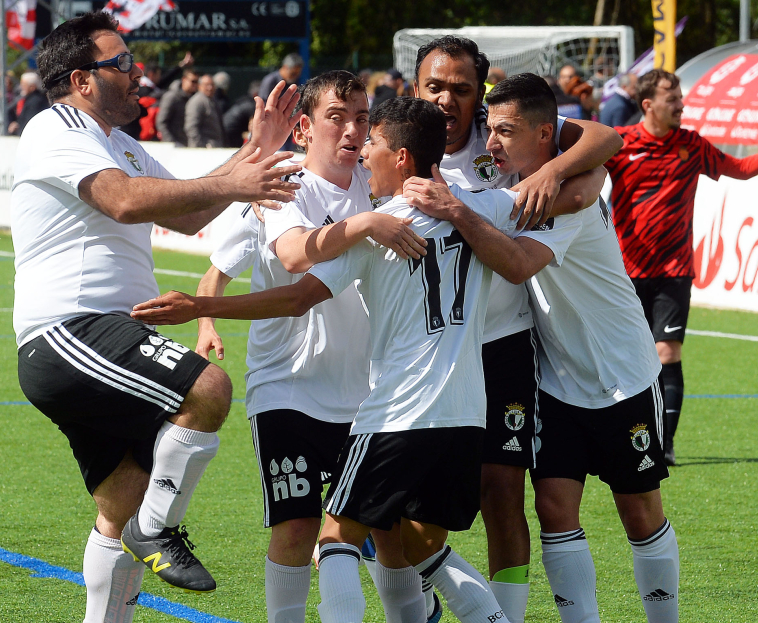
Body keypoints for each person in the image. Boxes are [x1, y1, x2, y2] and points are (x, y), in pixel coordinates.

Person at [132, 96, 535, 623]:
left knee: (338, 538)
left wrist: (202, 307)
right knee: (422, 548)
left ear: (402, 158)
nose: (365, 149)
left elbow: (298, 296)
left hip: (396, 412)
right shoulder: (483, 208)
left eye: (375, 141)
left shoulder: (384, 229)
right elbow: (564, 192)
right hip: (464, 418)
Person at [9, 11, 302, 623]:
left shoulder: (118, 143)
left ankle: (115, 589)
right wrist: (244, 177)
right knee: (209, 387)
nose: (136, 70)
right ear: (81, 80)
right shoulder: (55, 126)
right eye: (120, 62)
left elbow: (191, 211)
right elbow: (123, 201)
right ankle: (157, 532)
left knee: (119, 502)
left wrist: (255, 153)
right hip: (71, 330)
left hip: (97, 335)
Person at [404, 73, 676, 623]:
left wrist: (456, 211)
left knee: (639, 510)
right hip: (554, 377)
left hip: (621, 369)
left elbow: (518, 262)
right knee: (553, 508)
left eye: (506, 131)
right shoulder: (556, 178)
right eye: (491, 128)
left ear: (546, 134)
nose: (493, 143)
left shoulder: (570, 193)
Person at [183, 71, 429, 623]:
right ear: (303, 128)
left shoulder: (379, 184)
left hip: (369, 394)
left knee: (389, 533)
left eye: (362, 119)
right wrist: (205, 320)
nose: (351, 131)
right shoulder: (280, 184)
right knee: (296, 527)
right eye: (336, 117)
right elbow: (292, 257)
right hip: (286, 387)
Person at [608, 68, 758, 465]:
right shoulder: (619, 145)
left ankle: (664, 444)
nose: (681, 105)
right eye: (672, 99)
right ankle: (626, 438)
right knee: (626, 359)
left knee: (667, 353)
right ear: (648, 105)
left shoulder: (691, 145)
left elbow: (740, 170)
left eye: (679, 97)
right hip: (625, 271)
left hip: (674, 270)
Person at [155, 67, 199, 146]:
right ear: (184, 79)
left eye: (197, 82)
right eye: (193, 81)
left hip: (189, 144)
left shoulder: (195, 98)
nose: (195, 85)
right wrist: (171, 142)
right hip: (175, 144)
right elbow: (161, 121)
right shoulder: (171, 97)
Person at [186, 74, 225, 148]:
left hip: (215, 146)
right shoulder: (197, 102)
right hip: (202, 149)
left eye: (212, 85)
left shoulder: (213, 100)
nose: (210, 88)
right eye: (206, 85)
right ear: (199, 86)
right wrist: (201, 146)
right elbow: (191, 127)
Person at [223, 80, 260, 147]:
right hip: (232, 132)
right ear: (256, 94)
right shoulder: (251, 105)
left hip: (226, 128)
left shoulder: (244, 100)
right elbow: (254, 124)